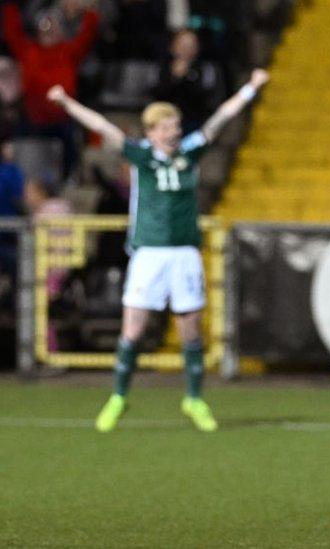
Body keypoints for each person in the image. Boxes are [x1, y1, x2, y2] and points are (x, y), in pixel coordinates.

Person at [46, 68, 270, 433]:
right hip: (148, 253)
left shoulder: (191, 152)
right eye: (166, 127)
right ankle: (119, 396)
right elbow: (103, 127)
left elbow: (222, 118)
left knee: (190, 331)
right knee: (132, 330)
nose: (174, 132)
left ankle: (194, 398)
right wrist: (66, 102)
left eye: (175, 125)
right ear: (151, 132)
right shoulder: (141, 156)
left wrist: (251, 88)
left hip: (184, 253)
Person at [3, 0, 99, 178]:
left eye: (52, 28)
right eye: (45, 28)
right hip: (33, 118)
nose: (48, 32)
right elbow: (12, 32)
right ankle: (19, 179)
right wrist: (10, 5)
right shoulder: (28, 50)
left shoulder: (68, 51)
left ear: (60, 31)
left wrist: (89, 10)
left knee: (72, 144)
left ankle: (69, 178)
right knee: (13, 139)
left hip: (61, 117)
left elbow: (88, 35)